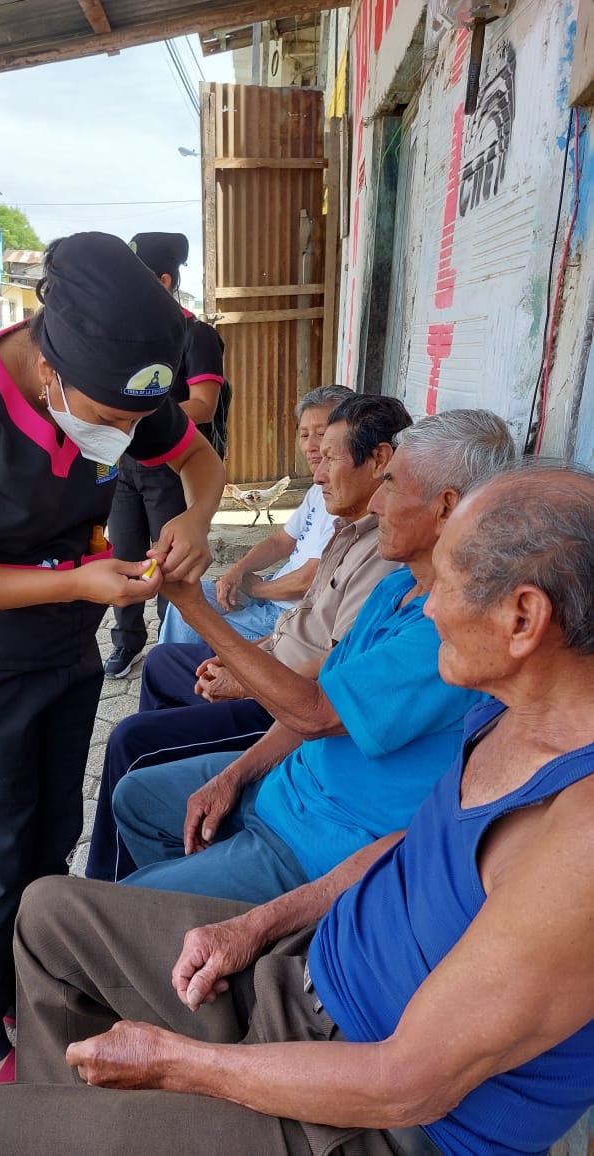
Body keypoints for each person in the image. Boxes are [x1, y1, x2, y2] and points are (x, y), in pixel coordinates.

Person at [0, 462, 594, 1156]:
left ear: (521, 618)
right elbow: (402, 846)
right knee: (49, 914)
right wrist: (257, 924)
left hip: (371, 1118)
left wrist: (177, 1065)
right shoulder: (504, 712)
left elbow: (405, 1085)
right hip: (307, 980)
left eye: (447, 585)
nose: (429, 607)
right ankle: (66, 1118)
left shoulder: (580, 839)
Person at [0, 232, 225, 1088]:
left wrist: (194, 519)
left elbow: (198, 461)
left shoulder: (122, 384)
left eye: (134, 422)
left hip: (64, 646)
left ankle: (32, 984)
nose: (124, 437)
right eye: (110, 420)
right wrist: (75, 583)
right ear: (50, 367)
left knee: (52, 830)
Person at [112, 410, 516, 902]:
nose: (378, 502)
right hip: (290, 786)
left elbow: (316, 712)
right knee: (135, 798)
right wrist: (235, 775)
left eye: (391, 485)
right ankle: (184, 914)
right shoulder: (398, 588)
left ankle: (190, 919)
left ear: (446, 507)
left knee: (113, 906)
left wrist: (194, 606)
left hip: (322, 841)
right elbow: (323, 696)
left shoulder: (449, 630)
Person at [86, 394, 410, 882]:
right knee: (164, 664)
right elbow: (302, 620)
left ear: (381, 460)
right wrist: (245, 652)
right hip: (286, 695)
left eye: (329, 455)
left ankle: (117, 886)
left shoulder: (393, 565)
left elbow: (324, 695)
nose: (316, 471)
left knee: (134, 742)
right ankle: (166, 832)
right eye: (308, 440)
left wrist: (236, 660)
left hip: (289, 715)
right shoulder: (351, 530)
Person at [104, 231, 226, 679]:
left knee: (167, 560)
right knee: (125, 552)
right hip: (123, 463)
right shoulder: (129, 338)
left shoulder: (196, 335)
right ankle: (126, 641)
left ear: (164, 281)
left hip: (172, 465)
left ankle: (170, 645)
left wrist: (139, 416)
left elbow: (204, 405)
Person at [157, 385, 350, 647]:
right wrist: (237, 572)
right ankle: (177, 665)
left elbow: (311, 579)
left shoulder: (347, 501)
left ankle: (180, 668)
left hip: (292, 615)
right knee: (191, 598)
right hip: (274, 592)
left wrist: (255, 588)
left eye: (322, 433)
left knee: (190, 613)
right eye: (304, 434)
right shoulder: (319, 488)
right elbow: (280, 542)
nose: (311, 445)